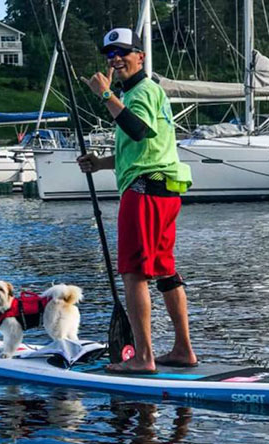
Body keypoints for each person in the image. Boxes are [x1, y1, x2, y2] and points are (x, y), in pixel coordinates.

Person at [76, 27, 196, 374]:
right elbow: (144, 148)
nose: (115, 59)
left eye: (123, 52)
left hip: (144, 193)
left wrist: (104, 95)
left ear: (140, 57)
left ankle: (143, 358)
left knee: (133, 273)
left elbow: (138, 130)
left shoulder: (141, 92)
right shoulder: (143, 93)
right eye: (110, 54)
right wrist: (101, 163)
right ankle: (183, 350)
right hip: (162, 190)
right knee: (165, 271)